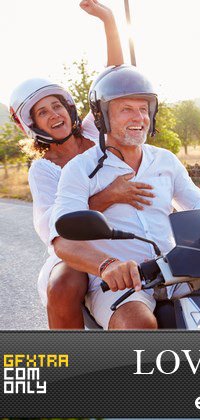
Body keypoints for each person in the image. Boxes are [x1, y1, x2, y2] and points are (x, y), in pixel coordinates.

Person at [49, 68, 200, 329]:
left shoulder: (165, 160)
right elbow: (62, 240)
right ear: (102, 117)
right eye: (126, 109)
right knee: (138, 325)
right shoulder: (80, 169)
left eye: (144, 108)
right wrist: (107, 266)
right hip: (120, 283)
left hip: (176, 270)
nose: (139, 117)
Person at [9, 1, 126, 327]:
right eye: (42, 112)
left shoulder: (95, 130)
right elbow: (56, 230)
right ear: (34, 125)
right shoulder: (43, 169)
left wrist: (108, 19)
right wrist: (109, 196)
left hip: (128, 232)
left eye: (56, 105)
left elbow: (113, 78)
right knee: (63, 284)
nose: (54, 115)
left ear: (69, 107)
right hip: (79, 250)